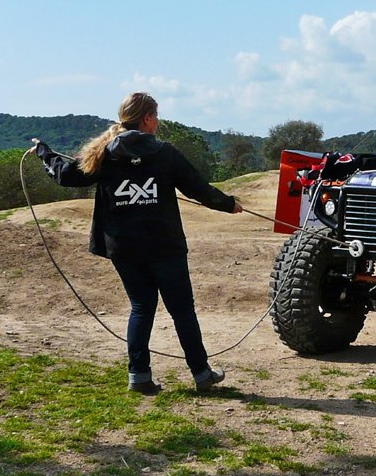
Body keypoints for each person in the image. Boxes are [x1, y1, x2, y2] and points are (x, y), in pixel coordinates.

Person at [32, 92, 242, 395]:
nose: (157, 121)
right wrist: (229, 204)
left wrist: (43, 151)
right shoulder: (165, 153)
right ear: (146, 118)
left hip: (124, 247)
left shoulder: (101, 154)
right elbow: (199, 189)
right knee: (182, 311)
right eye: (155, 116)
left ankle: (139, 377)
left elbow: (65, 176)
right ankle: (201, 374)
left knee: (141, 307)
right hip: (164, 246)